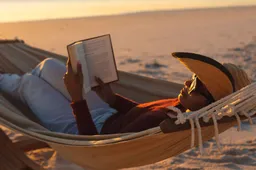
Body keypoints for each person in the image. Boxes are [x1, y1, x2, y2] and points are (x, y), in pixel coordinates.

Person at [0, 52, 251, 135]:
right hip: (104, 113)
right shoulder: (180, 107)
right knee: (48, 66)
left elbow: (93, 144)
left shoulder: (173, 122)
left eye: (198, 85)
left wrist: (77, 97)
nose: (187, 82)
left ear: (210, 103)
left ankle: (8, 81)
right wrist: (111, 98)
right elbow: (138, 113)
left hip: (80, 129)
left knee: (30, 85)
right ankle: (16, 81)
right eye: (194, 77)